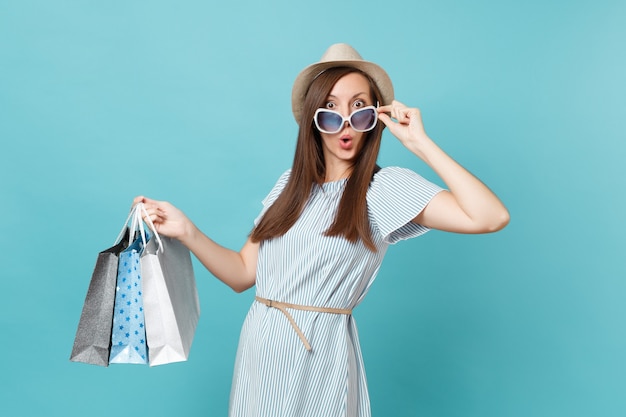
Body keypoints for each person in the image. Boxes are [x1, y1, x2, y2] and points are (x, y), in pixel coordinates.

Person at [135, 43, 509, 417]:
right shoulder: (288, 187)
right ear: (314, 119)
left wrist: (420, 144)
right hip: (260, 349)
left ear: (375, 116)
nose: (345, 120)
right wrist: (186, 230)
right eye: (330, 108)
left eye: (359, 106)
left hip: (320, 353)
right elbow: (243, 274)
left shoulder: (384, 189)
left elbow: (489, 217)